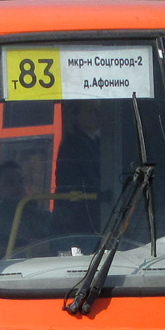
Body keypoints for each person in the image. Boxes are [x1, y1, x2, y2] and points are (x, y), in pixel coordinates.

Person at [54, 100, 103, 235]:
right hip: (78, 218)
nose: (97, 115)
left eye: (98, 111)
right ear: (75, 115)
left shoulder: (97, 141)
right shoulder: (72, 144)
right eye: (91, 112)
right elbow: (87, 179)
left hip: (93, 214)